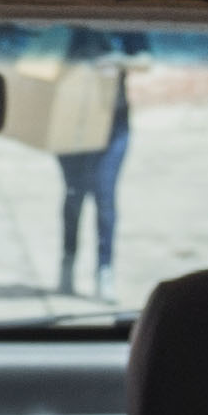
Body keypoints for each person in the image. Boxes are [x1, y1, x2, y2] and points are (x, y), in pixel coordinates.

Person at [52, 24, 143, 293]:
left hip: (112, 126)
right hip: (71, 123)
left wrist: (117, 60)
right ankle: (67, 265)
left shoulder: (124, 21)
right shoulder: (66, 26)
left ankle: (105, 271)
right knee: (73, 195)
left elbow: (145, 60)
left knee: (105, 196)